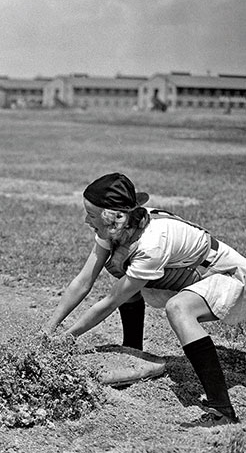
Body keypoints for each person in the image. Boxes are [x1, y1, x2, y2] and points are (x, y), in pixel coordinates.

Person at [46, 172, 246, 427]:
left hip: (231, 278)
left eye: (92, 215)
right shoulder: (120, 227)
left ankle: (222, 410)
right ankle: (132, 353)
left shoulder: (152, 243)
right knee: (121, 267)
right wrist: (48, 329)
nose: (86, 220)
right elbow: (83, 282)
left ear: (114, 218)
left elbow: (110, 302)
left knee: (179, 309)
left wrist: (67, 337)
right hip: (193, 275)